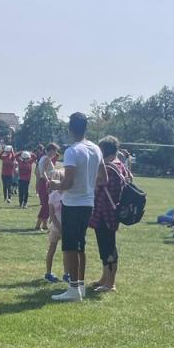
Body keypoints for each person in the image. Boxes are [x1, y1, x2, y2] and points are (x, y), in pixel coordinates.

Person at [52, 112, 106, 302]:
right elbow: (103, 178)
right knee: (80, 245)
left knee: (69, 246)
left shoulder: (72, 151)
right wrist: (88, 185)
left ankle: (74, 288)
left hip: (73, 203)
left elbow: (68, 182)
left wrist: (55, 185)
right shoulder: (96, 149)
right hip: (88, 203)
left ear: (70, 129)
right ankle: (80, 285)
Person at [90, 136, 129, 293]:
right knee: (104, 246)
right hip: (107, 212)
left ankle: (110, 283)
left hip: (106, 212)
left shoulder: (109, 168)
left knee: (109, 247)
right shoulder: (119, 165)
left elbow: (98, 186)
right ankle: (104, 278)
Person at [43, 170, 65, 283]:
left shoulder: (67, 194)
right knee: (52, 249)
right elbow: (52, 215)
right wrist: (60, 228)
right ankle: (49, 272)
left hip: (65, 226)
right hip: (57, 227)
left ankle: (67, 273)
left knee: (66, 251)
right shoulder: (53, 196)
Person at [35, 142, 61, 231]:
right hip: (46, 182)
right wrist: (48, 181)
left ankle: (44, 224)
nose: (55, 153)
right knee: (46, 204)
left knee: (47, 204)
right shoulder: (46, 158)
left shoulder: (43, 157)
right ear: (50, 150)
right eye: (55, 151)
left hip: (43, 182)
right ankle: (39, 224)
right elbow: (43, 172)